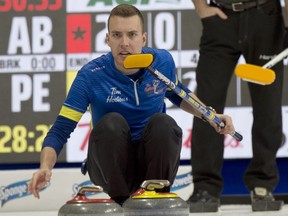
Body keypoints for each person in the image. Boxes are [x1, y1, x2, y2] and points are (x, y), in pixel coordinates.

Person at [27, 3, 236, 206]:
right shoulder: (90, 76)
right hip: (111, 167)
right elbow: (60, 130)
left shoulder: (161, 62)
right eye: (117, 35)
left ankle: (155, 199)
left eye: (132, 35)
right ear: (107, 39)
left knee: (164, 123)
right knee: (112, 123)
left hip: (150, 162)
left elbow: (179, 94)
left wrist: (210, 115)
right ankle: (120, 203)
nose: (124, 43)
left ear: (143, 38)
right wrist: (45, 167)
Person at [188, 0, 286, 212]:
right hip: (221, 18)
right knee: (206, 105)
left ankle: (262, 183)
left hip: (266, 18)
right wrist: (201, 8)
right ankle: (205, 188)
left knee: (268, 106)